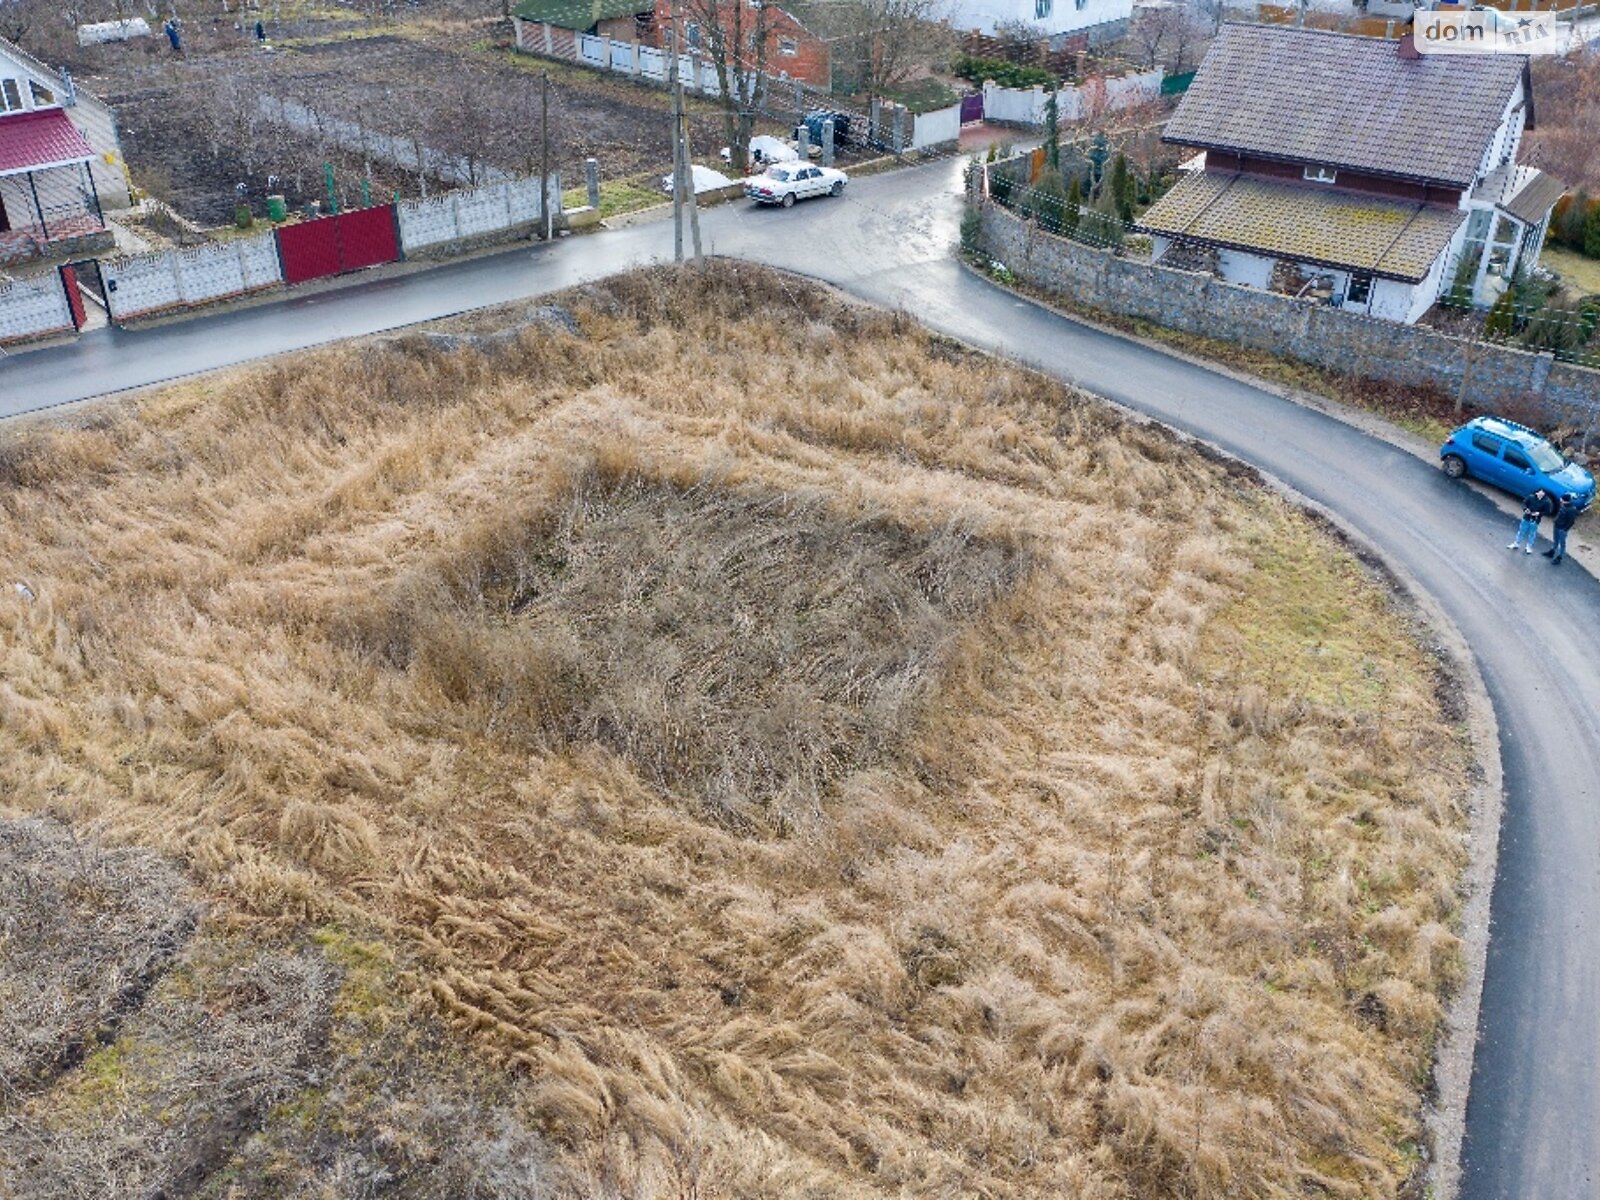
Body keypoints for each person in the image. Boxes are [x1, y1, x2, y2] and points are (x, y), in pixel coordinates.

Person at [1510, 489, 1553, 553]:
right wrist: (1525, 509)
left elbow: (1548, 511)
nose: (1538, 493)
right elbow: (1524, 503)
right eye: (1538, 492)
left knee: (1532, 534)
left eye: (1541, 492)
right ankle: (1516, 543)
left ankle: (1528, 547)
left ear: (1544, 494)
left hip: (1535, 520)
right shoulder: (1531, 497)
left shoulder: (1547, 502)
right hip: (1526, 517)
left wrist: (1539, 513)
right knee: (1521, 531)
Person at [1543, 493, 1579, 565]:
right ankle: (1552, 552)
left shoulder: (1571, 510)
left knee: (1562, 544)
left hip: (1562, 529)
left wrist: (1565, 529)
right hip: (1557, 526)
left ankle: (1559, 557)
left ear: (1566, 501)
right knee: (1555, 540)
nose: (1560, 500)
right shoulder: (1564, 505)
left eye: (1562, 499)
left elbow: (1571, 522)